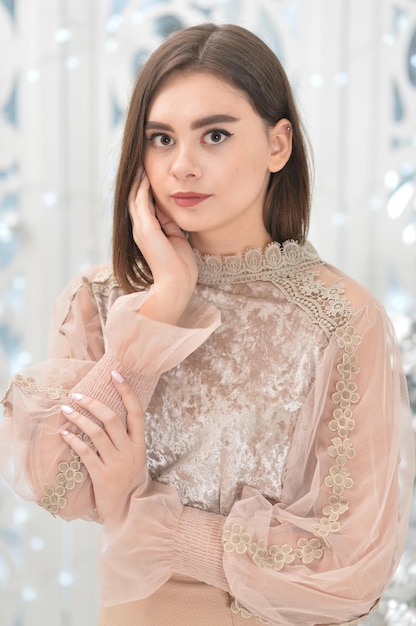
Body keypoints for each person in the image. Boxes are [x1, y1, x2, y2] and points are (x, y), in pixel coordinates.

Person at [0, 22, 414, 626]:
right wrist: (164, 304)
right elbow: (59, 482)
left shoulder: (343, 320)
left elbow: (349, 569)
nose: (183, 166)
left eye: (214, 135)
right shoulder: (101, 298)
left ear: (279, 145)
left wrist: (147, 519)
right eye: (161, 139)